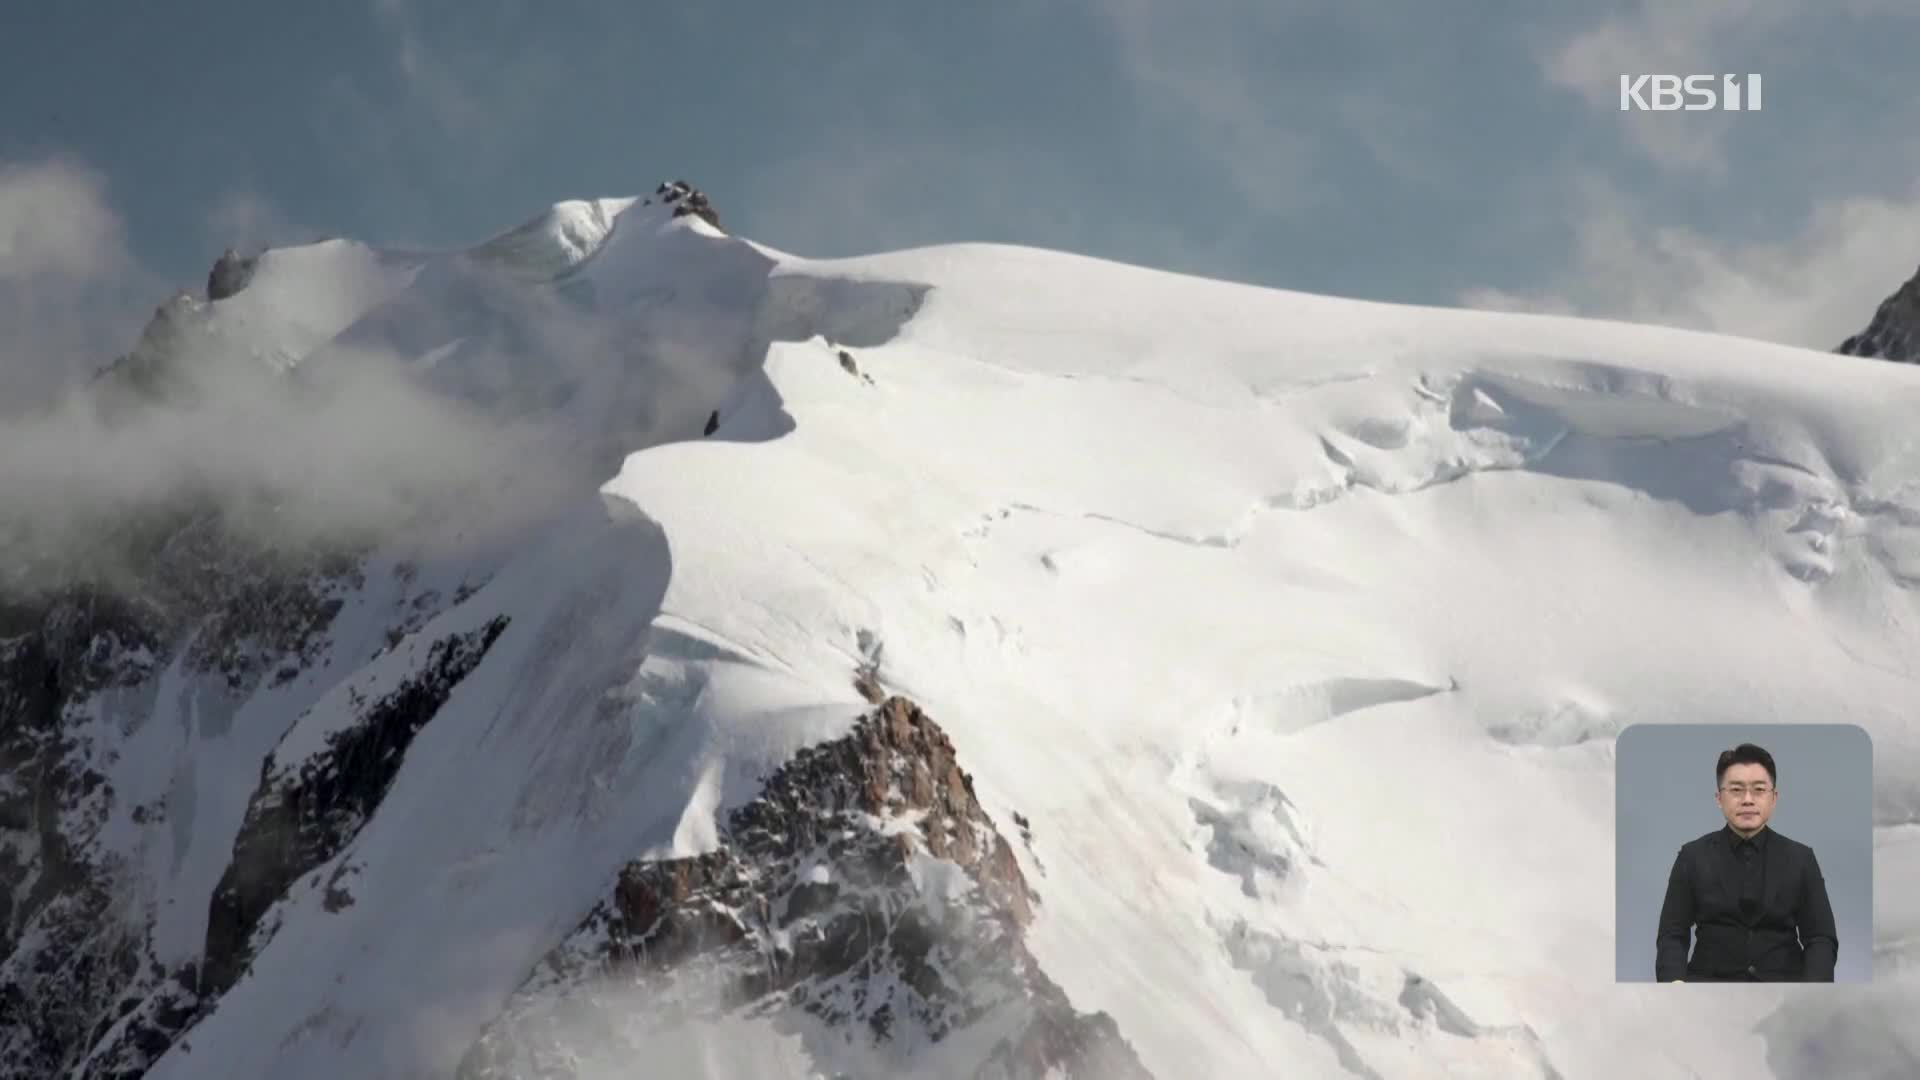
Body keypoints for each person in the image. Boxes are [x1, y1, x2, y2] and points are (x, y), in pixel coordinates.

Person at [1654, 743, 1838, 982]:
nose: (1747, 800)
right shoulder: (1692, 857)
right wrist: (1674, 986)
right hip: (1708, 990)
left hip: (1783, 989)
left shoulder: (1801, 858)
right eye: (1736, 790)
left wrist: (1814, 990)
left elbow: (1820, 937)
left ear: (1774, 798)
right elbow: (1672, 935)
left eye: (1759, 789)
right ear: (1719, 798)